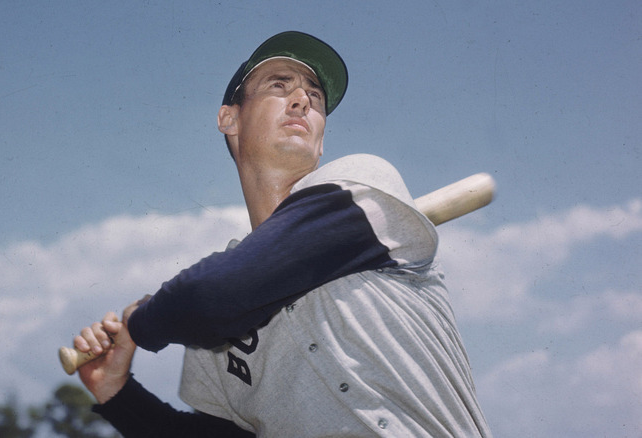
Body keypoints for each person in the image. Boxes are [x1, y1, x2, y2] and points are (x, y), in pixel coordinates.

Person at [72, 31, 492, 437]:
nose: (302, 100)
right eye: (279, 85)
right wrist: (116, 392)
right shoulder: (202, 315)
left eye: (315, 96)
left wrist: (142, 321)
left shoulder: (363, 185)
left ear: (321, 141)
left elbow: (213, 295)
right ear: (229, 118)